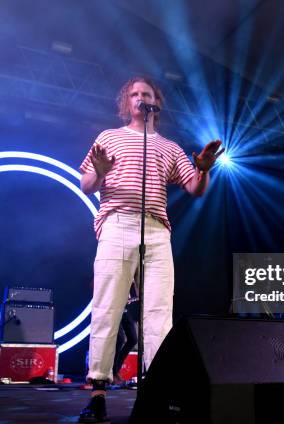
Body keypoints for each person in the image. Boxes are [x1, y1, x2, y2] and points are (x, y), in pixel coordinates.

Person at [77, 76, 222, 423]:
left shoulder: (170, 147)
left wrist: (203, 170)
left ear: (157, 103)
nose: (142, 98)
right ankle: (97, 393)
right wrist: (97, 173)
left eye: (148, 94)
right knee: (107, 309)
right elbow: (85, 184)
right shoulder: (108, 137)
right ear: (126, 103)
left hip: (156, 231)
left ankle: (161, 391)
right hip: (116, 224)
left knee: (159, 315)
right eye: (135, 94)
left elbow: (195, 189)